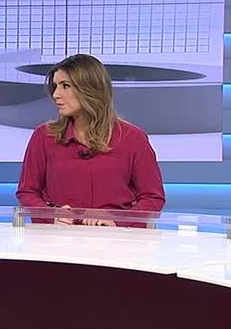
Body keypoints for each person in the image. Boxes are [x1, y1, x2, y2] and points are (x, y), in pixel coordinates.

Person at [16, 54, 165, 226]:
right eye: (55, 86)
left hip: (115, 238)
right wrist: (51, 215)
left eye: (65, 86)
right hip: (60, 237)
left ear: (90, 89)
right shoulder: (44, 136)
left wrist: (118, 221)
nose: (56, 94)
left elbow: (152, 197)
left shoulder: (133, 138)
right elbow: (27, 192)